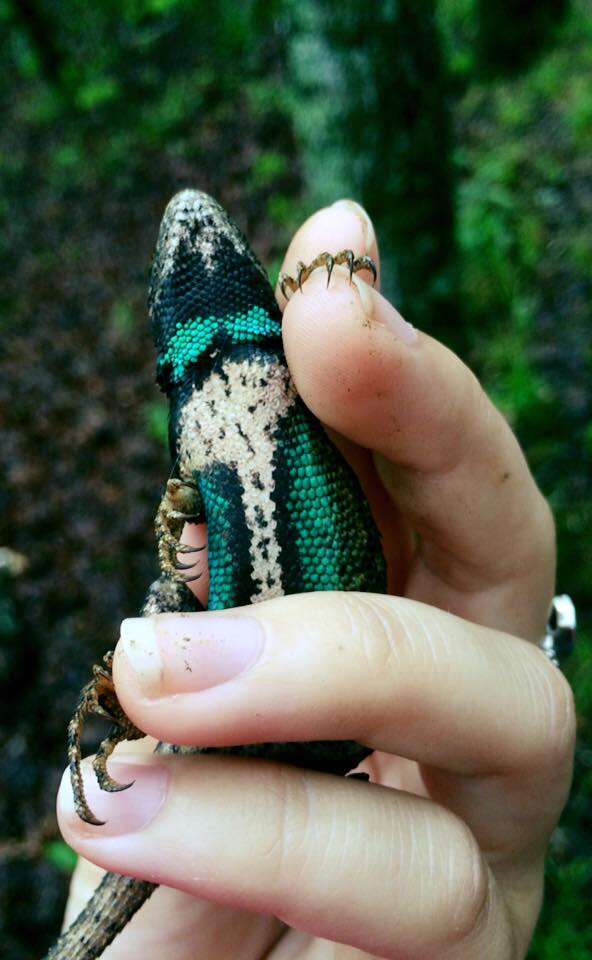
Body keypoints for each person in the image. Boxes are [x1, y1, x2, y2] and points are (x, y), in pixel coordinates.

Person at [55, 199, 575, 958]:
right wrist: (140, 665)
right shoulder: (206, 397)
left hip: (289, 719)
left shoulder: (255, 374)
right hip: (256, 726)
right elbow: (181, 553)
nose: (195, 227)